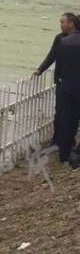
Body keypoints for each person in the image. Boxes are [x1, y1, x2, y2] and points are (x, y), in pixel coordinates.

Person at [32, 12, 79, 151]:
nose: (60, 25)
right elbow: (52, 55)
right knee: (59, 112)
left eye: (62, 22)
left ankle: (68, 141)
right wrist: (40, 70)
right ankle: (57, 140)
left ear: (71, 23)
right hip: (61, 80)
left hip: (73, 81)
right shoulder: (59, 38)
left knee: (72, 114)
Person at [54, 15, 80, 168]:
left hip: (68, 88)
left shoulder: (64, 42)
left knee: (68, 122)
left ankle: (64, 155)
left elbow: (60, 67)